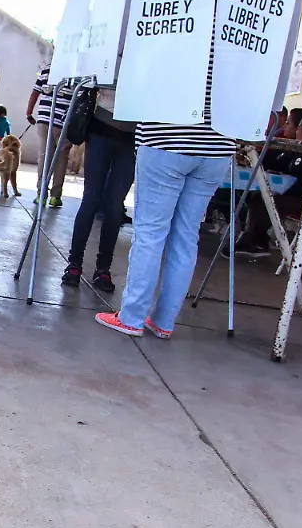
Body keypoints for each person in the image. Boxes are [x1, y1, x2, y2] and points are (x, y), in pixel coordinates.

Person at [96, 61, 236, 339]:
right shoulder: (237, 42)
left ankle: (132, 317)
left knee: (150, 231)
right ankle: (163, 321)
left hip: (167, 137)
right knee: (186, 236)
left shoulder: (174, 35)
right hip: (219, 145)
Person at [235, 112, 302, 257]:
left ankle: (255, 241)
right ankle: (256, 240)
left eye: (298, 128)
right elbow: (282, 164)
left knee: (268, 200)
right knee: (259, 196)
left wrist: (284, 189)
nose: (296, 132)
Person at [61, 87, 137, 293]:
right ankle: (74, 263)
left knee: (114, 206)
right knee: (91, 199)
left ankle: (103, 267)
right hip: (101, 128)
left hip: (132, 136)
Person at [25, 64, 71, 208]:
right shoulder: (77, 71)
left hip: (44, 118)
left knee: (44, 156)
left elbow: (35, 93)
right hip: (64, 121)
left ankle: (41, 195)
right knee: (61, 158)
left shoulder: (47, 70)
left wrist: (29, 113)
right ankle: (55, 196)